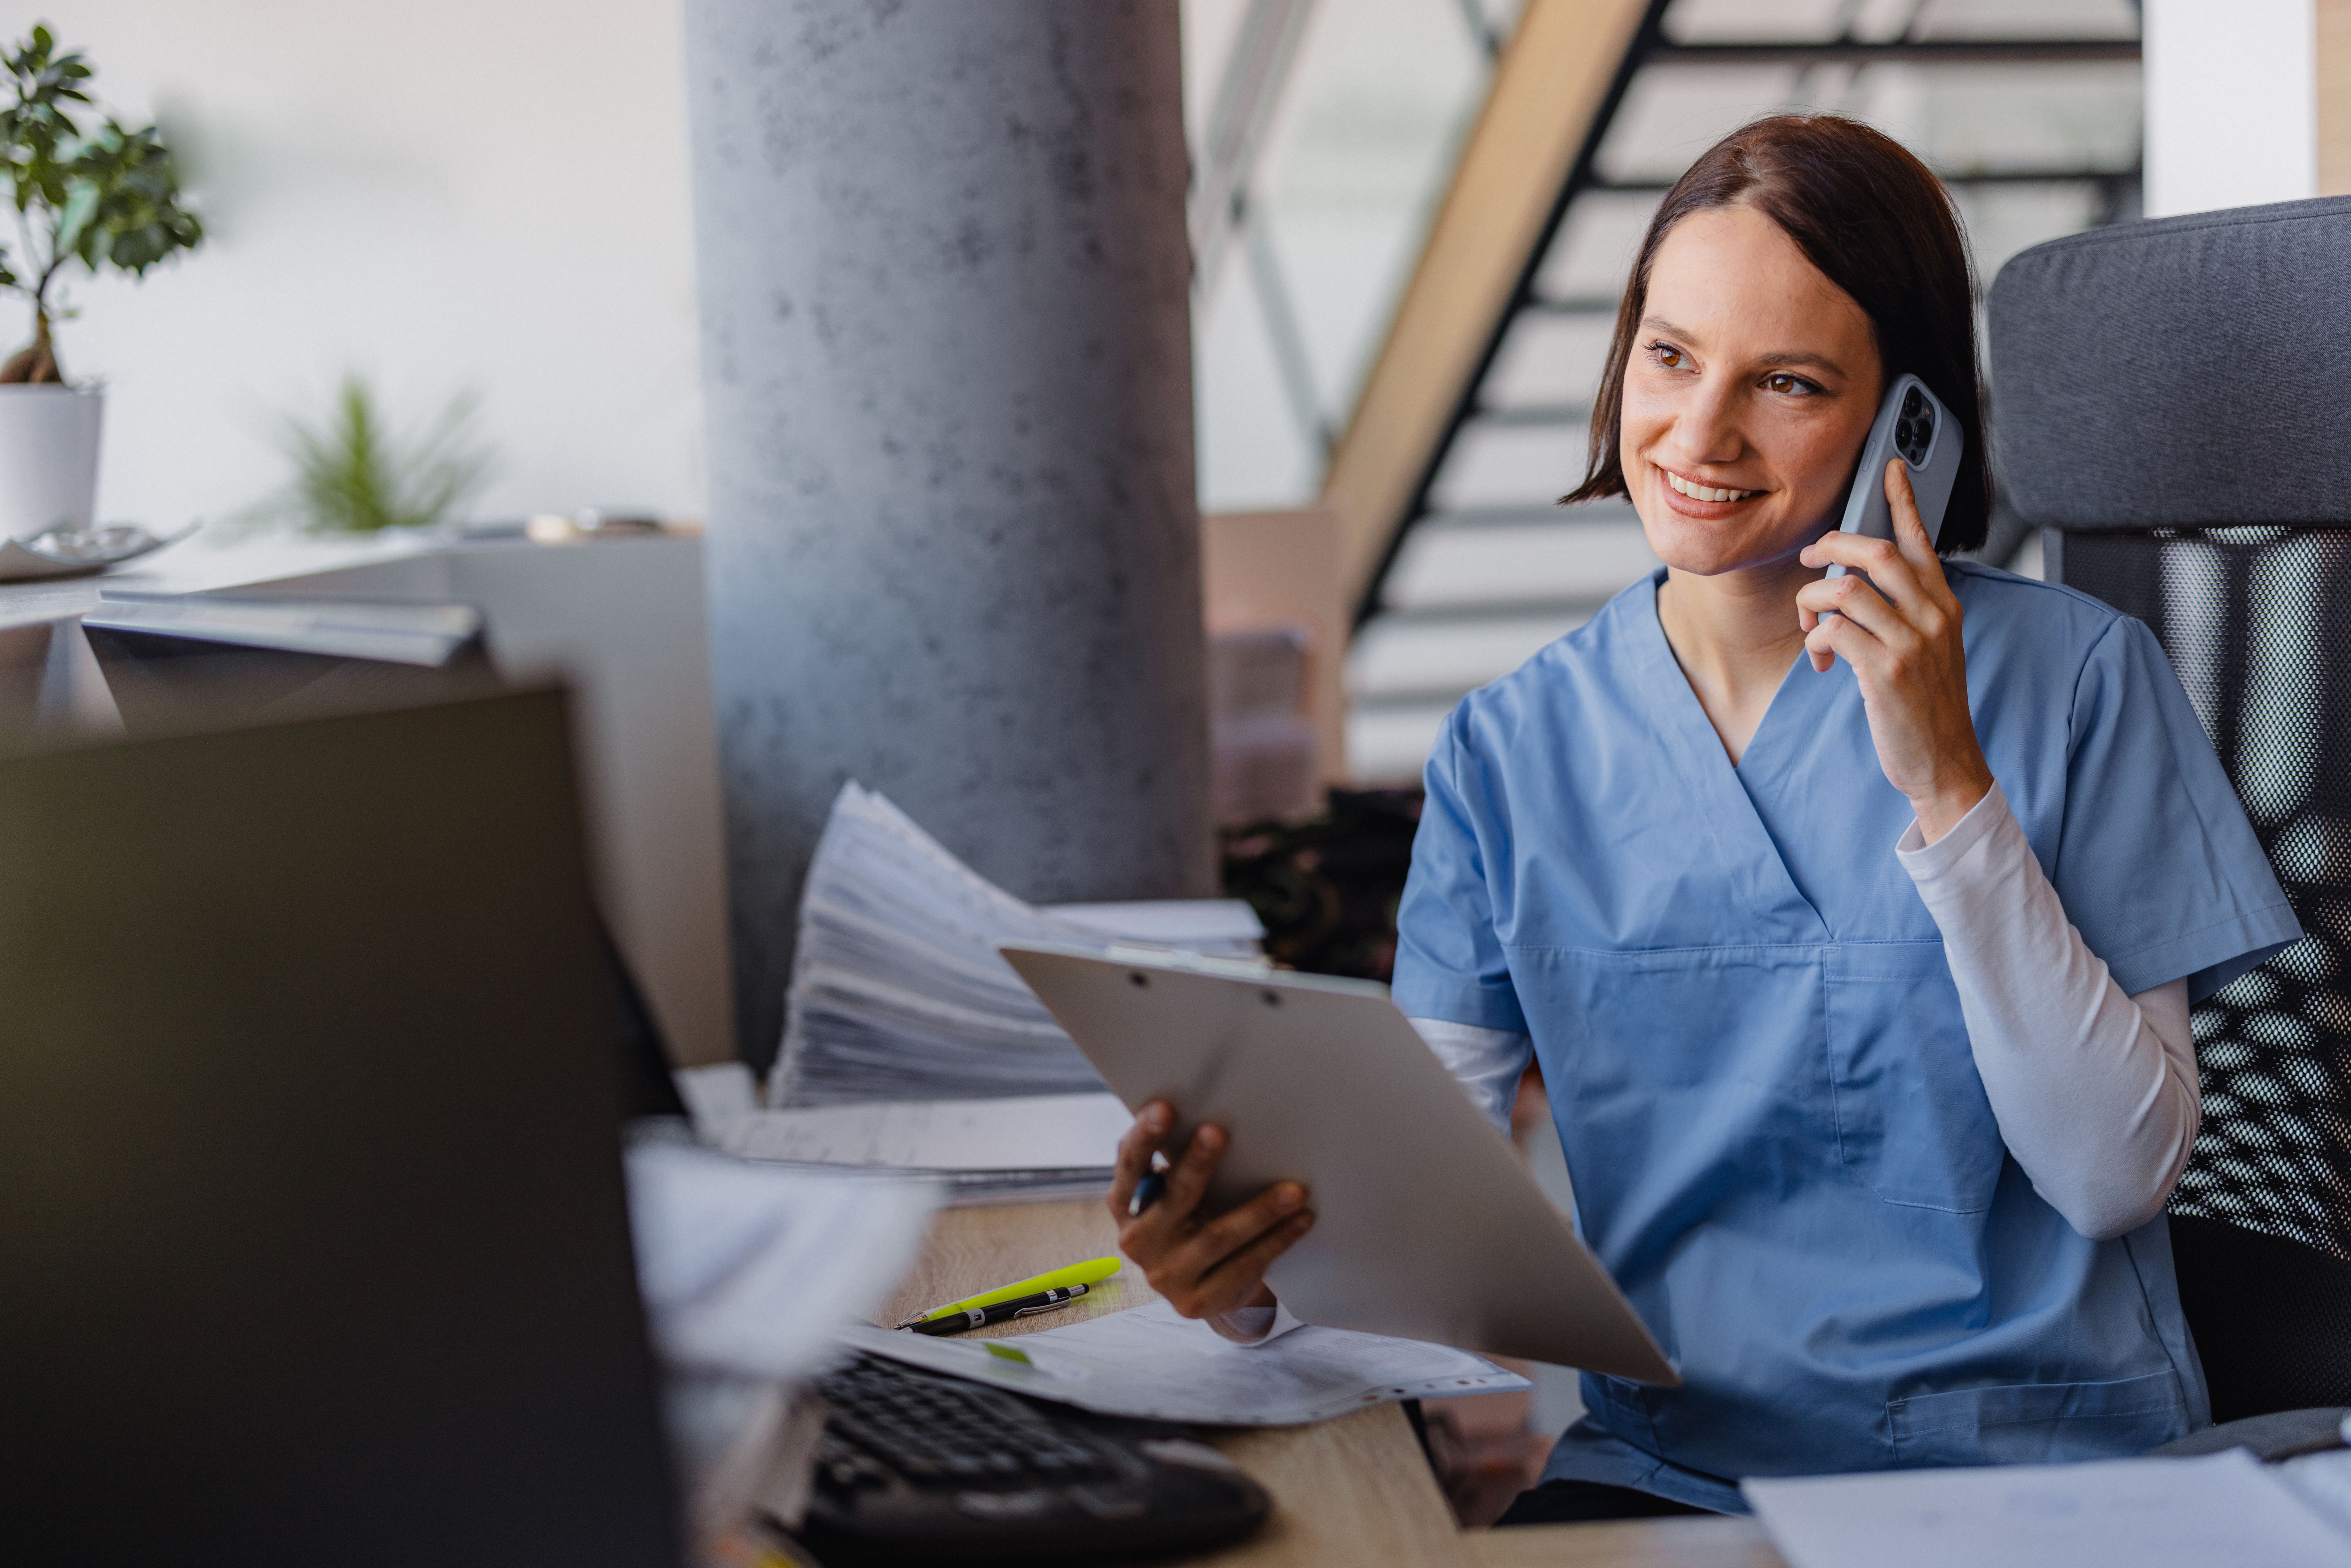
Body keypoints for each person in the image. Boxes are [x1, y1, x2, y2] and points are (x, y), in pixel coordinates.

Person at [1106, 114, 2301, 1521]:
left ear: (1907, 420)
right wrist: (1248, 1290)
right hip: (1681, 1485)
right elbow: (1414, 1244)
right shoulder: (1513, 751)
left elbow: (2113, 1177)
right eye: (1670, 357)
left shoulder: (2082, 683)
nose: (1701, 432)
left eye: (1786, 382)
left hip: (2048, 1475)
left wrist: (1948, 787)